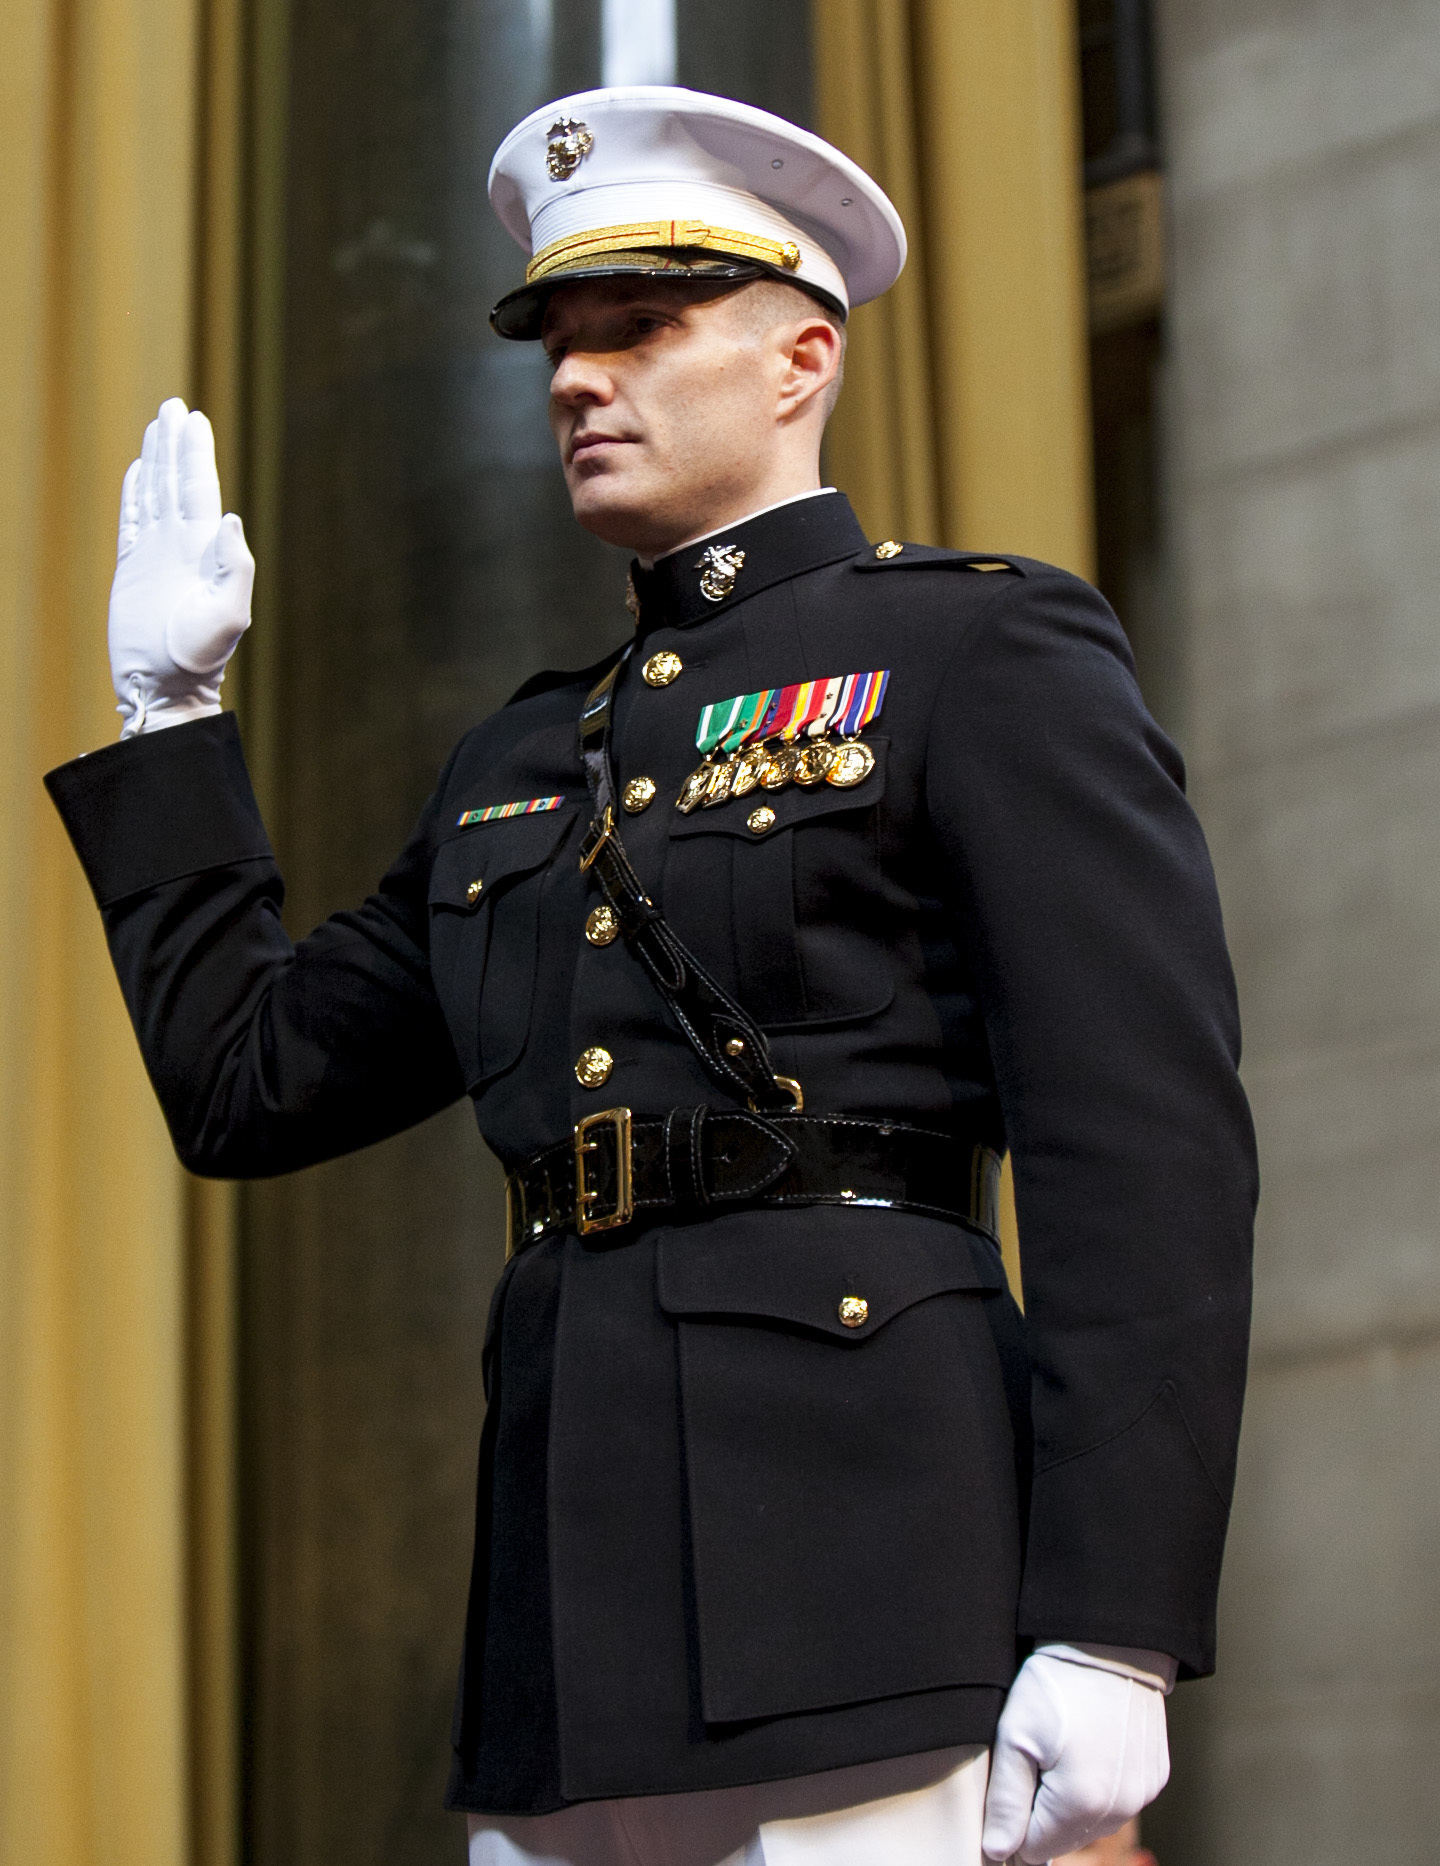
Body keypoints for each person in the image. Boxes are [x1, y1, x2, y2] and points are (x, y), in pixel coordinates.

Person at [46, 87, 1256, 1866]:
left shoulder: (978, 649)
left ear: (802, 358)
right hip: (567, 1636)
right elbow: (250, 1079)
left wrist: (1113, 1624)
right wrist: (172, 721)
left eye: (640, 323)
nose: (574, 376)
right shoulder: (519, 758)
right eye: (556, 334)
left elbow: (1143, 1152)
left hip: (873, 1593)